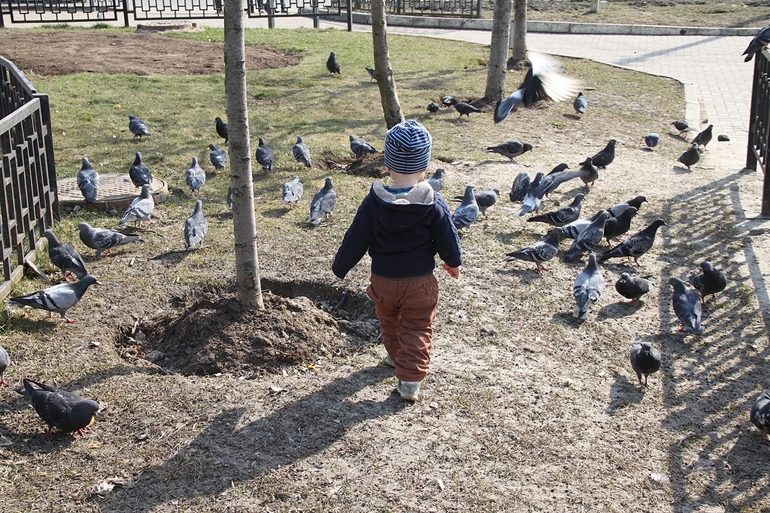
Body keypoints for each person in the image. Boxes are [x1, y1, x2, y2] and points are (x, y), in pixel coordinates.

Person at [332, 120, 462, 401]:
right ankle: (410, 380)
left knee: (389, 321)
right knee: (417, 327)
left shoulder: (373, 202)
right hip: (419, 284)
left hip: (383, 281)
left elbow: (356, 238)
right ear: (425, 167)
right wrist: (453, 262)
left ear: (388, 165)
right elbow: (447, 237)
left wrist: (341, 266)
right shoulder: (433, 202)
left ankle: (394, 356)